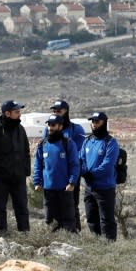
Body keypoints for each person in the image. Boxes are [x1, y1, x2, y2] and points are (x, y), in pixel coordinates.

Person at [0, 100, 31, 233]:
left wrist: (26, 171)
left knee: (21, 207)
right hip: (0, 179)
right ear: (7, 113)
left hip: (18, 177)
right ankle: (3, 233)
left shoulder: (20, 129)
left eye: (19, 111)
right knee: (0, 208)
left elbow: (26, 151)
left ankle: (25, 233)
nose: (19, 114)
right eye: (16, 112)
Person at [42, 100, 86, 230]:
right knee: (52, 205)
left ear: (66, 111)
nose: (56, 113)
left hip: (71, 174)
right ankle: (55, 232)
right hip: (54, 176)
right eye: (54, 111)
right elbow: (45, 148)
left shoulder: (76, 129)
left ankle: (75, 232)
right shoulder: (48, 129)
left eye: (59, 110)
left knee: (72, 204)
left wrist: (72, 174)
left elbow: (80, 153)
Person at [33, 114, 79, 233]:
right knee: (50, 221)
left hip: (65, 189)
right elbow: (38, 164)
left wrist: (72, 182)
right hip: (48, 190)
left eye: (53, 125)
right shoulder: (42, 144)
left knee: (68, 221)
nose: (50, 128)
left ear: (60, 126)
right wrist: (37, 182)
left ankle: (71, 245)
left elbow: (75, 164)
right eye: (49, 125)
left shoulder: (68, 143)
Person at [81, 111, 119, 241]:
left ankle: (109, 247)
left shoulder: (110, 142)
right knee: (91, 219)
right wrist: (84, 172)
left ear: (104, 123)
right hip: (89, 188)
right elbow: (81, 159)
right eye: (92, 121)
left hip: (105, 188)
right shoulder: (87, 141)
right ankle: (96, 245)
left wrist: (92, 174)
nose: (94, 124)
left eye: (97, 121)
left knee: (106, 220)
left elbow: (108, 164)